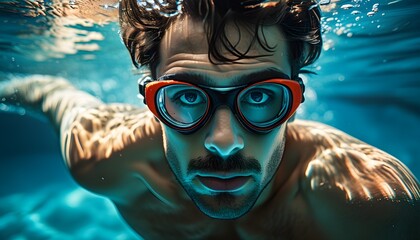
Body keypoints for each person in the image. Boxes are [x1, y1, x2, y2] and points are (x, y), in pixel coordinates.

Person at [1, 0, 419, 239]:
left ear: (295, 101)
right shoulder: (103, 155)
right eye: (185, 96)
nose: (224, 141)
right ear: (150, 100)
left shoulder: (368, 205)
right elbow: (50, 94)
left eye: (259, 96)